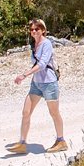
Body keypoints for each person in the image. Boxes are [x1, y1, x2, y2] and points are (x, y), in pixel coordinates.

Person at [8, 18, 68, 154]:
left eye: (37, 29)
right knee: (26, 112)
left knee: (54, 112)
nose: (34, 32)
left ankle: (61, 140)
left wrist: (24, 75)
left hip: (49, 83)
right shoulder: (34, 44)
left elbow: (42, 64)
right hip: (37, 83)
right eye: (32, 30)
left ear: (43, 30)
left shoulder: (46, 44)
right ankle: (22, 143)